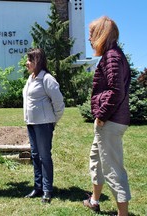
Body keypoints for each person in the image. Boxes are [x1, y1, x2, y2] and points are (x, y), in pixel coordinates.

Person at [83, 16, 131, 216]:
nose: (89, 38)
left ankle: (123, 214)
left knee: (112, 168)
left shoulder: (112, 56)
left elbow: (116, 91)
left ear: (102, 34)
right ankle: (94, 200)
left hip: (110, 121)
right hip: (108, 120)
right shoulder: (112, 55)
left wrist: (102, 115)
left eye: (92, 33)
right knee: (96, 160)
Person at [23, 48, 65, 203]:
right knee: (35, 156)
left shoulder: (47, 79)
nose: (26, 63)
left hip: (43, 124)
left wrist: (53, 121)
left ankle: (47, 190)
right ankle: (38, 187)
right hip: (32, 124)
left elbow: (59, 104)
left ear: (37, 61)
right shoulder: (31, 79)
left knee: (44, 157)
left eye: (29, 60)